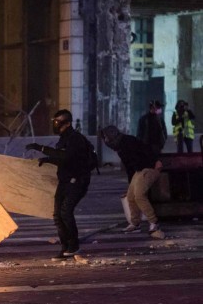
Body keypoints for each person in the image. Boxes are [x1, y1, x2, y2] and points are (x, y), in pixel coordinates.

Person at [26, 109, 91, 259]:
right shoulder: (63, 138)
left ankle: (74, 246)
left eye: (59, 122)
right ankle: (65, 246)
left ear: (68, 123)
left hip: (77, 181)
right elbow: (62, 158)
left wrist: (42, 149)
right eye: (54, 121)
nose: (56, 125)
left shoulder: (75, 139)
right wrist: (47, 160)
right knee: (57, 215)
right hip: (65, 181)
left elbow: (66, 156)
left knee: (66, 212)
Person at [101, 125, 163, 236]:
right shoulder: (120, 147)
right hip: (139, 170)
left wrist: (156, 160)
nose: (105, 140)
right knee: (130, 196)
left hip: (148, 167)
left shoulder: (128, 141)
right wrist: (130, 184)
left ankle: (154, 222)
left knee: (139, 195)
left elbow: (146, 148)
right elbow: (129, 167)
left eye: (106, 137)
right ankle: (135, 223)